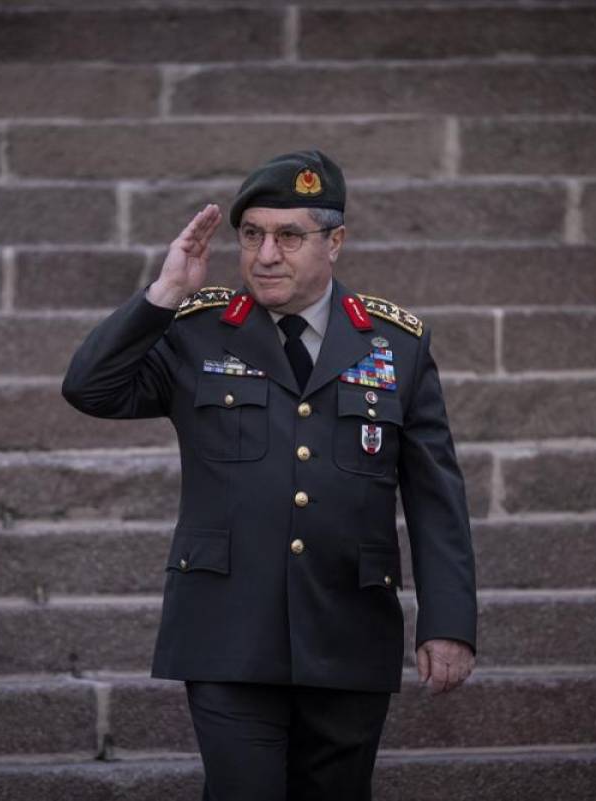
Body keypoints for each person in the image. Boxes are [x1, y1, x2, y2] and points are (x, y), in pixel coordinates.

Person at [62, 150, 477, 801]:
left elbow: (435, 495)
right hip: (228, 629)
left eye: (289, 236)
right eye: (252, 235)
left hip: (348, 627)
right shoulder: (197, 330)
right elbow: (90, 388)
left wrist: (447, 621)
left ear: (334, 242)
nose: (265, 255)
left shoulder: (395, 344)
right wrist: (163, 295)